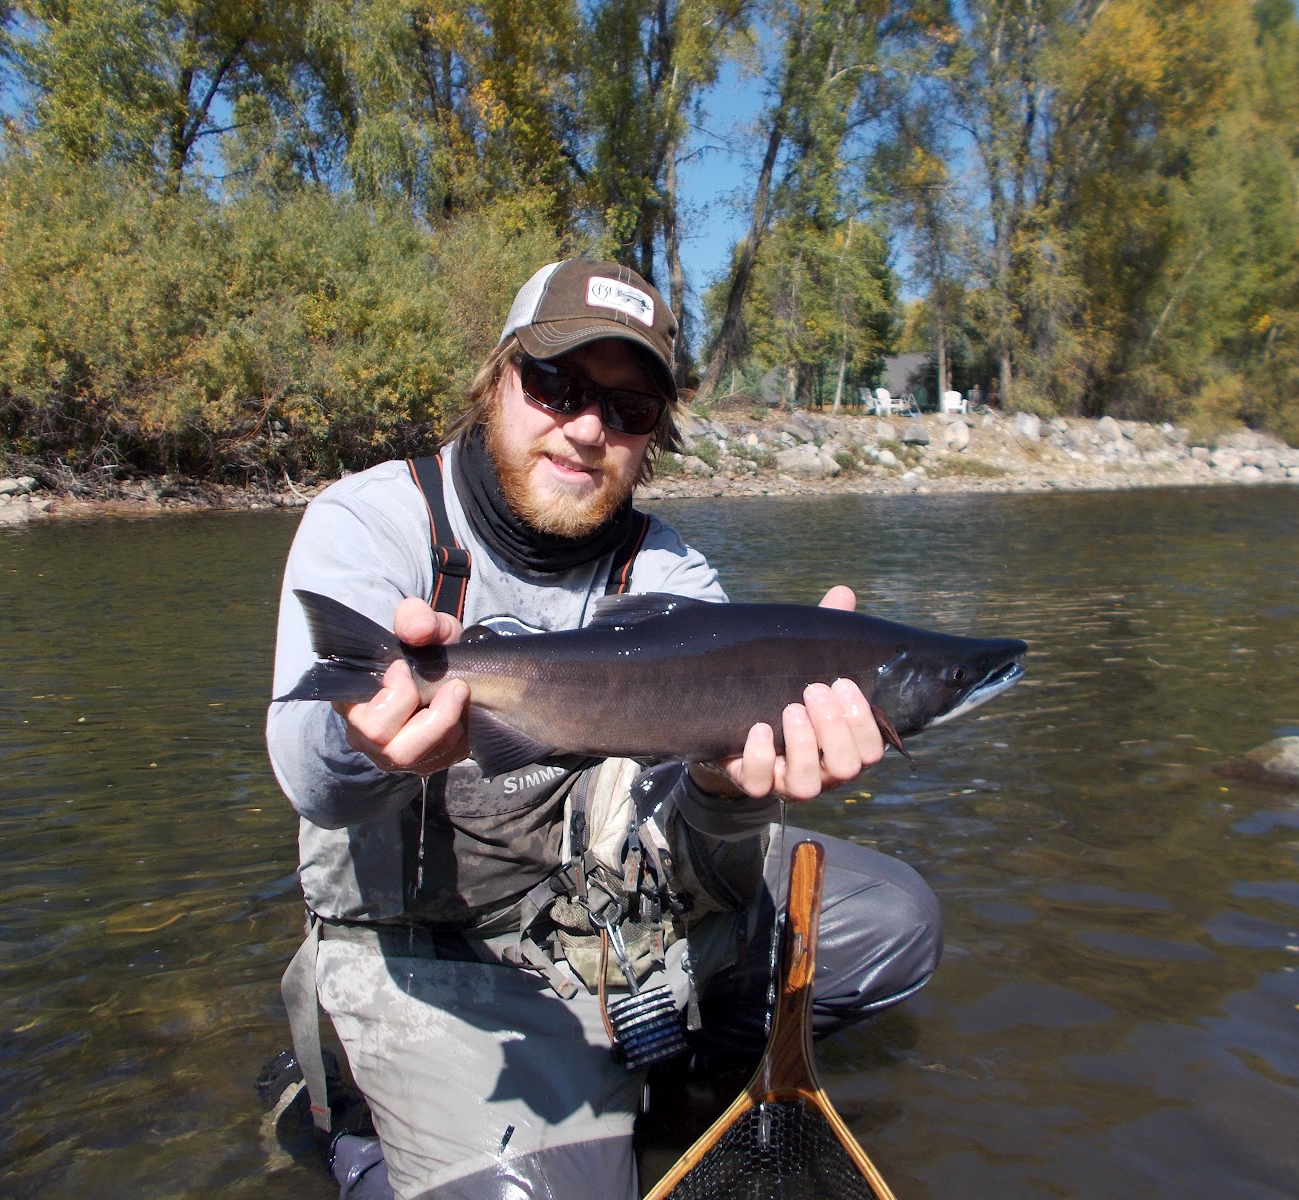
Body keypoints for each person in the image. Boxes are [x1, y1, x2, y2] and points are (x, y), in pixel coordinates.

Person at [265, 258, 942, 1200]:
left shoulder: (670, 573)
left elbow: (699, 860)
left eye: (629, 411)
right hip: (438, 952)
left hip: (605, 907)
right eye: (557, 385)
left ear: (653, 436)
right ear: (495, 379)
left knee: (891, 923)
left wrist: (728, 794)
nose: (587, 429)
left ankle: (644, 1078)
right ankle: (369, 1108)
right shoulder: (374, 523)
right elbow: (310, 778)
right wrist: (366, 745)